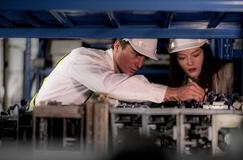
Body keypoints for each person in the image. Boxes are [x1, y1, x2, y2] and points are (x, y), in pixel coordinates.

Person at [29, 38, 205, 109]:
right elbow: (109, 84)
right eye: (135, 54)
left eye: (144, 58)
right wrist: (173, 93)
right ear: (117, 46)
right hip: (37, 129)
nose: (140, 63)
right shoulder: (83, 58)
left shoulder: (107, 68)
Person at [168, 39, 234, 95]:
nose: (190, 62)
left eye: (195, 55)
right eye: (182, 58)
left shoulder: (225, 72)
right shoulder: (177, 81)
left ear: (205, 53)